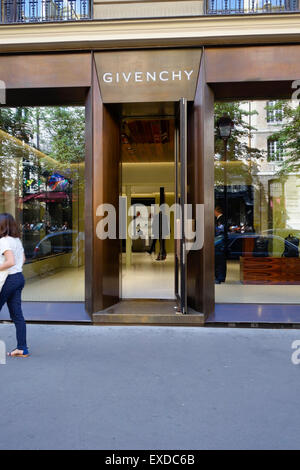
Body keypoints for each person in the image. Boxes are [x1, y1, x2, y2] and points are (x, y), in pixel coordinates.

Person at [0, 213, 29, 358]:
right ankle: (22, 348)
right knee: (17, 315)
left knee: (16, 314)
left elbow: (10, 261)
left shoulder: (4, 241)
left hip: (9, 280)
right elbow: (22, 259)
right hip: (19, 278)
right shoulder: (16, 240)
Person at [214, 205, 227, 284]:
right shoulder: (220, 219)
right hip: (220, 242)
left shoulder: (221, 219)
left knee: (219, 261)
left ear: (216, 211)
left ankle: (220, 277)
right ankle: (220, 277)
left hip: (219, 243)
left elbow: (220, 230)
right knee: (220, 261)